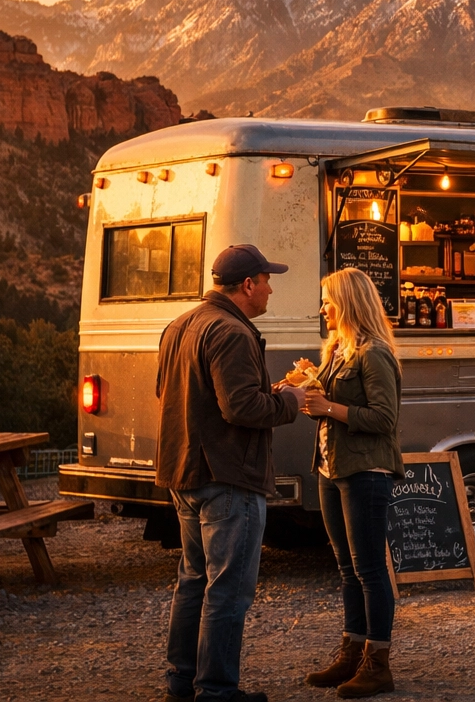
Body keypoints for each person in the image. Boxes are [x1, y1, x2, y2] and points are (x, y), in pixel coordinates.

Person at [155, 244, 304, 702]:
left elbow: (179, 393)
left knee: (193, 580)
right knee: (228, 589)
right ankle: (217, 690)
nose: (271, 289)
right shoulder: (232, 332)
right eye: (267, 280)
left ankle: (182, 681)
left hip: (184, 472)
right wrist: (289, 401)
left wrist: (267, 392)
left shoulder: (180, 325)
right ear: (248, 285)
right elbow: (240, 409)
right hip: (228, 477)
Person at [298, 267, 405, 698]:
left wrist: (327, 407)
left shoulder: (373, 353)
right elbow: (330, 405)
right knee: (347, 568)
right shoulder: (336, 350)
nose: (322, 308)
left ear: (348, 303)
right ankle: (352, 652)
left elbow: (384, 419)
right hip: (332, 467)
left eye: (328, 300)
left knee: (369, 569)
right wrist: (311, 392)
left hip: (365, 470)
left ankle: (378, 664)